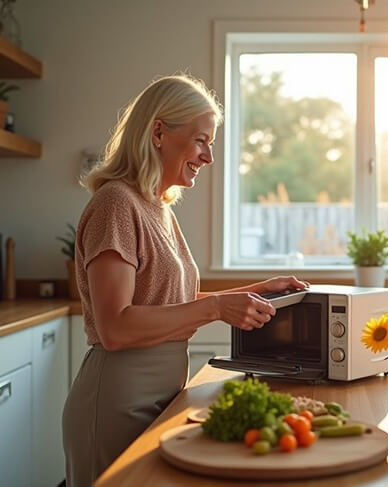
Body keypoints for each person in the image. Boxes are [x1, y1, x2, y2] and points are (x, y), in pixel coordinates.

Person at [62, 74, 309, 487]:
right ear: (158, 131)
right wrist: (215, 307)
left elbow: (169, 301)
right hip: (117, 400)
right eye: (200, 140)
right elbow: (116, 327)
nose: (208, 156)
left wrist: (253, 292)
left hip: (159, 394)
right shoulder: (115, 204)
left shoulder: (156, 208)